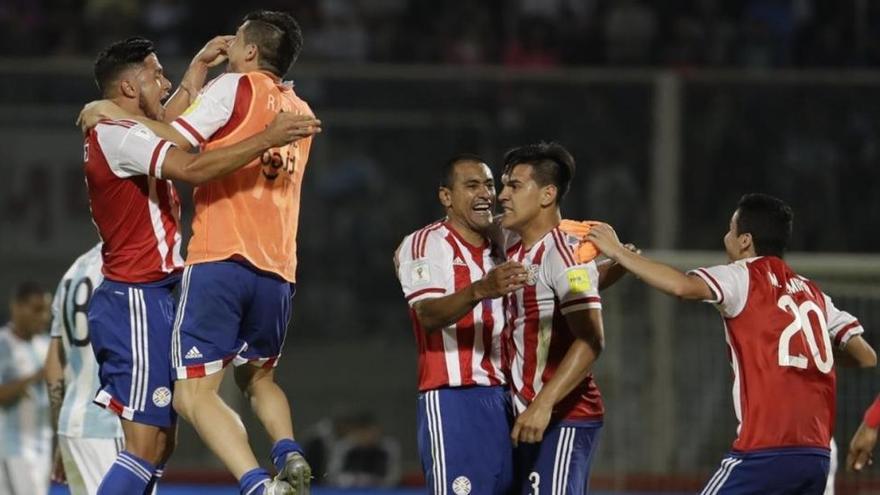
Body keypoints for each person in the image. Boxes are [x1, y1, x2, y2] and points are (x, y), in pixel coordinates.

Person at [82, 10, 318, 494]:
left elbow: (170, 126)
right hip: (138, 296)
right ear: (128, 88)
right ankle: (260, 481)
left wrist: (194, 72)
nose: (167, 82)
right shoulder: (115, 132)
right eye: (156, 75)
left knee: (163, 439)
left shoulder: (133, 125)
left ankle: (259, 480)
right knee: (150, 441)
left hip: (178, 282)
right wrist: (263, 138)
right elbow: (188, 163)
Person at [587, 193, 876, 495]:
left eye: (730, 230)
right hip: (816, 456)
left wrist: (619, 253)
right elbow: (866, 356)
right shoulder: (813, 292)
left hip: (765, 453)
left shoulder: (743, 276)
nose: (726, 238)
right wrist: (808, 349)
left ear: (745, 241)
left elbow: (681, 287)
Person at [498, 142, 607, 494]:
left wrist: (543, 405)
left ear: (547, 194)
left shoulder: (563, 253)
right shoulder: (516, 245)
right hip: (525, 413)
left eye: (514, 186)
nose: (502, 195)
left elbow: (591, 339)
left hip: (561, 416)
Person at [44, 244, 124, 495]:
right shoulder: (128, 264)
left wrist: (60, 429)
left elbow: (53, 363)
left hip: (73, 424)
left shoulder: (73, 272)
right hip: (108, 422)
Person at [0, 282, 52, 495]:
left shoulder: (47, 345)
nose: (44, 316)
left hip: (43, 444)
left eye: (47, 310)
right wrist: (35, 377)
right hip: (12, 445)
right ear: (17, 307)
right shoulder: (3, 343)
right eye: (37, 309)